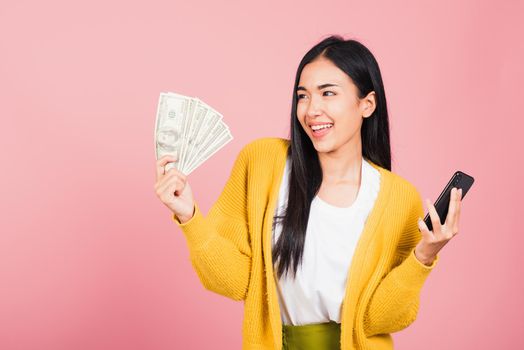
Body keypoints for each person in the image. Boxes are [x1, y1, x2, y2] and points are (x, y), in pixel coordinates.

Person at [154, 35, 463, 350]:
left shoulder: (398, 198)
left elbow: (379, 320)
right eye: (303, 96)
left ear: (367, 104)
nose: (312, 109)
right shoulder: (262, 162)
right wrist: (189, 215)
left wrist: (424, 255)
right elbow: (235, 282)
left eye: (328, 93)